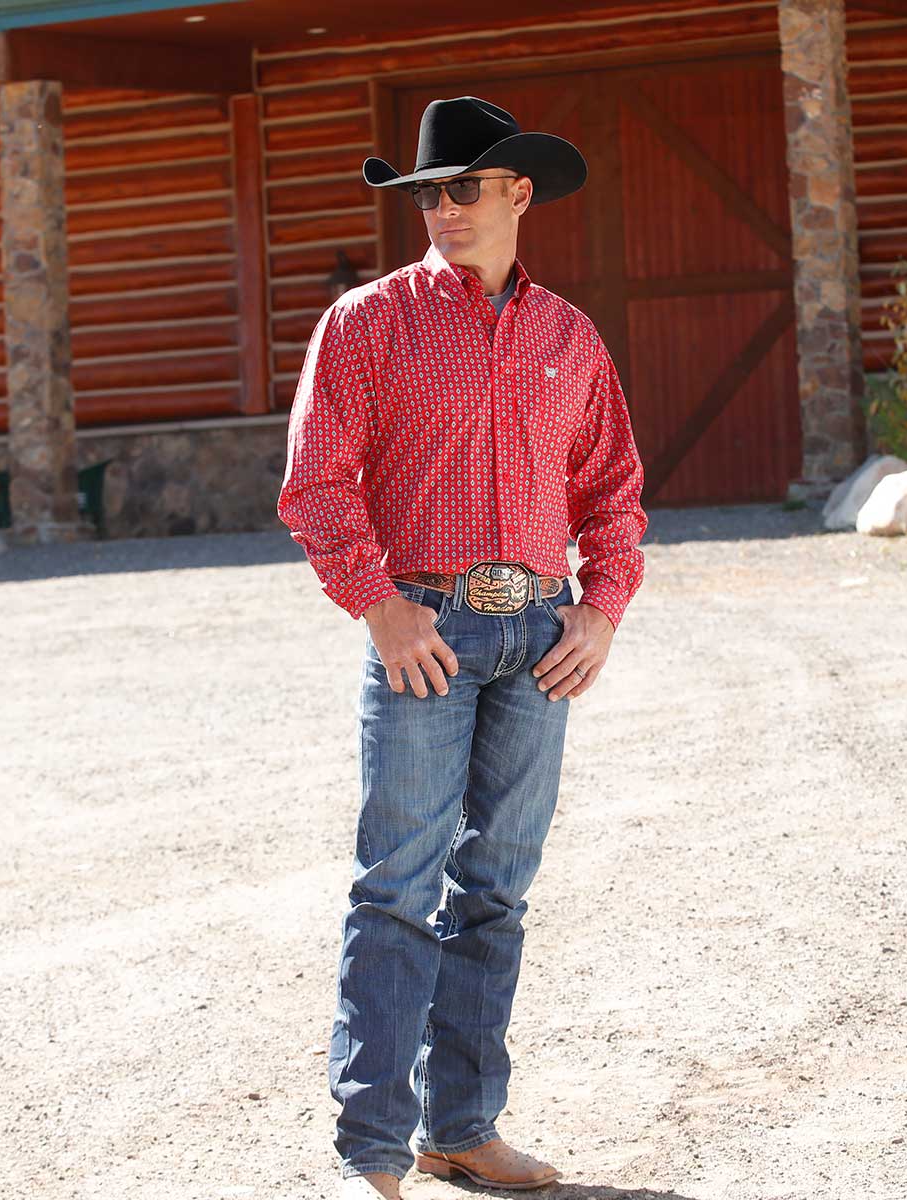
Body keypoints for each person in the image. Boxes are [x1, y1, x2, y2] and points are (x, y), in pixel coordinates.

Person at [276, 94, 649, 1198]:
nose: (444, 210)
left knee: (497, 890)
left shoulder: (568, 338)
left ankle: (464, 1130)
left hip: (539, 636)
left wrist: (602, 607)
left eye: (465, 189)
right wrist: (380, 608)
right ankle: (372, 1156)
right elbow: (315, 487)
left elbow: (611, 489)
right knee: (394, 886)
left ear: (518, 193)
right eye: (430, 193)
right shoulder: (366, 324)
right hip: (423, 633)